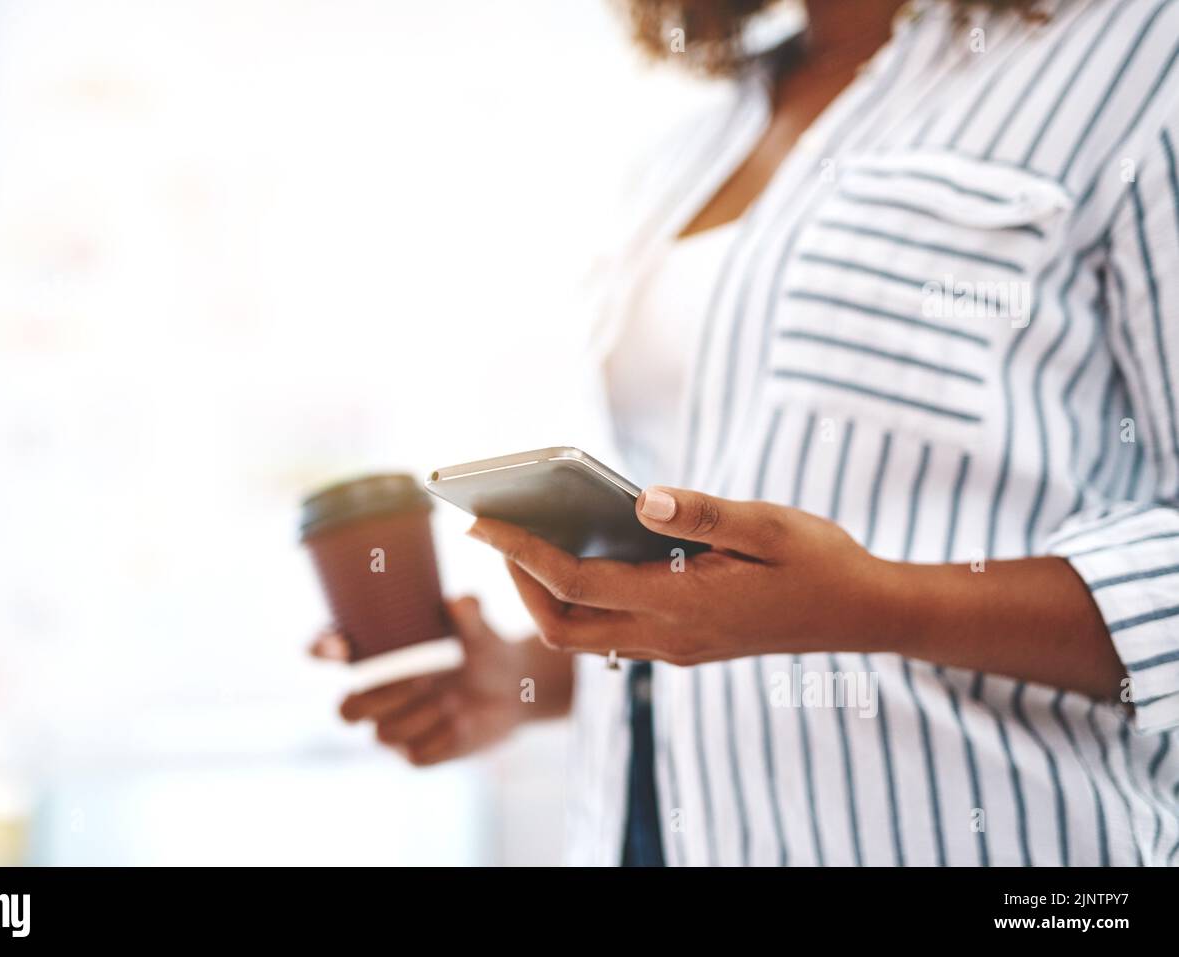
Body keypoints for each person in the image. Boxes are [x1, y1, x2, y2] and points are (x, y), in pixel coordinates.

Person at [314, 0, 1179, 866]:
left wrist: (876, 604)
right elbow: (716, 604)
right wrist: (523, 679)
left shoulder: (1139, 54)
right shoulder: (698, 141)